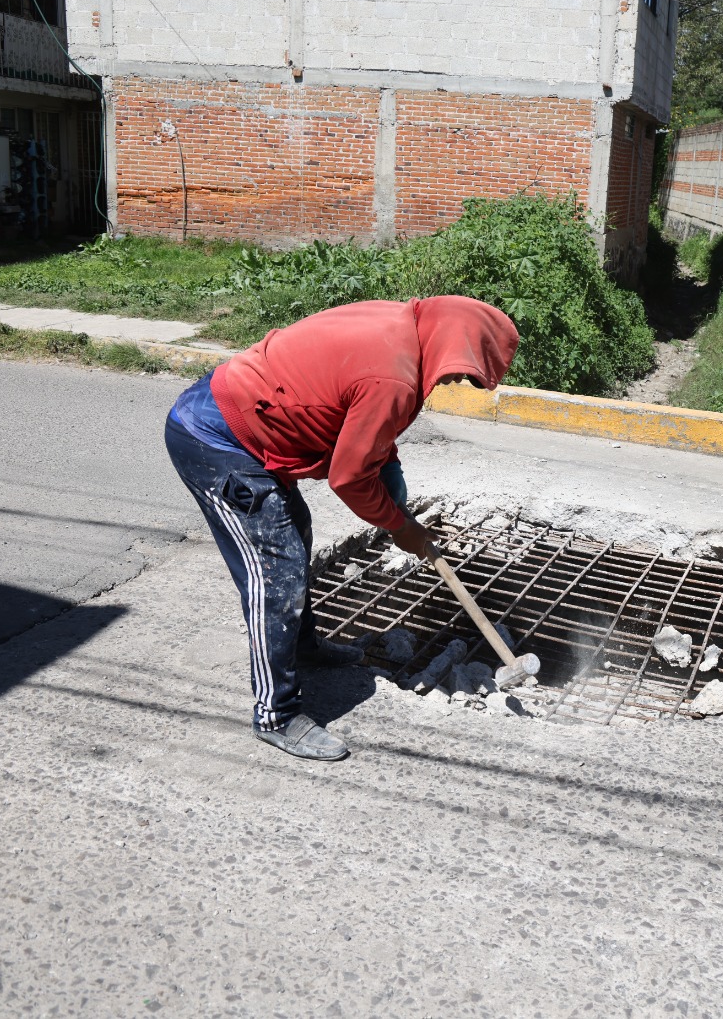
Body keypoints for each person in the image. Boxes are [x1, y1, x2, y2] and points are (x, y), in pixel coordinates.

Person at [164, 295, 519, 762]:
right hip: (216, 437)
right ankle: (277, 715)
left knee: (296, 531)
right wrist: (399, 526)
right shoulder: (394, 376)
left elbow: (353, 413)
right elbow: (348, 477)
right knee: (276, 572)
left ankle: (303, 647)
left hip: (242, 410)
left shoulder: (402, 326)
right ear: (451, 342)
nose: (456, 380)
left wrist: (388, 470)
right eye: (462, 370)